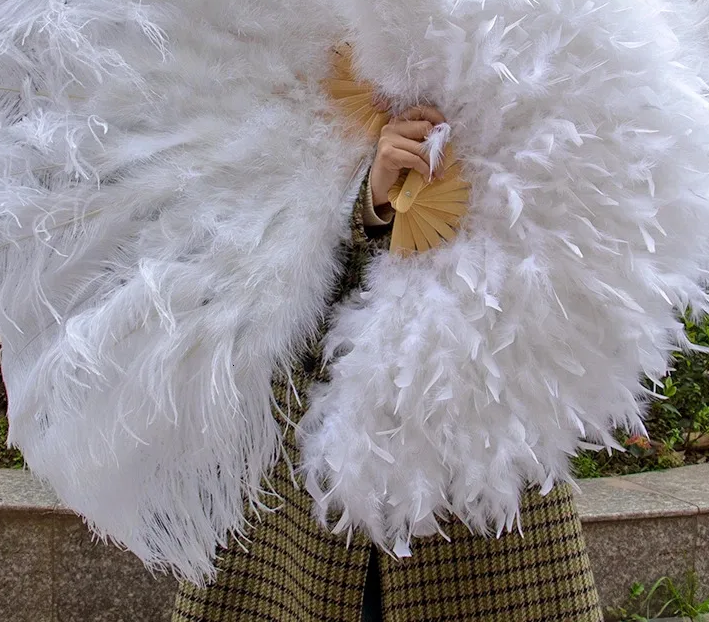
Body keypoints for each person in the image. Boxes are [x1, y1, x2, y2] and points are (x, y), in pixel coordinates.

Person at [172, 106, 605, 622]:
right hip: (309, 432)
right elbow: (257, 223)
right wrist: (370, 199)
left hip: (475, 421)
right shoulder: (302, 57)